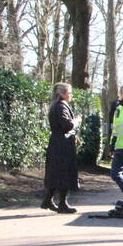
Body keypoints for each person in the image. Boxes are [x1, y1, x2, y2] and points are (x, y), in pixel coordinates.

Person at [42, 82, 79, 214]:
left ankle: (48, 200)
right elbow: (66, 126)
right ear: (62, 94)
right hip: (63, 145)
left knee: (56, 173)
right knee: (65, 173)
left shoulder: (56, 106)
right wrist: (76, 121)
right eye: (69, 92)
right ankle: (62, 203)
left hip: (58, 143)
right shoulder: (61, 107)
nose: (71, 95)